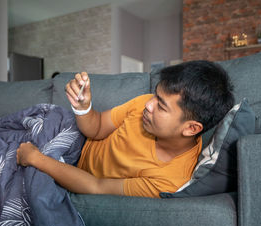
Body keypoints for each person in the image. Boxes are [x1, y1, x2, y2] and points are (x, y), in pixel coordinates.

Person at [16, 61, 234, 198]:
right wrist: (83, 108)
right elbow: (98, 127)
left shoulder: (170, 179)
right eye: (155, 96)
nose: (149, 105)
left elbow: (97, 186)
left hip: (75, 171)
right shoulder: (145, 103)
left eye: (162, 105)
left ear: (191, 128)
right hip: (73, 138)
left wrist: (36, 159)